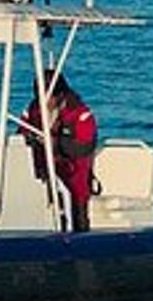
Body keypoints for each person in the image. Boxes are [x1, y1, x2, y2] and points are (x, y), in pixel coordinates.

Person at [22, 74, 99, 232]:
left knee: (78, 192)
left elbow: (83, 146)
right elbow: (22, 130)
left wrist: (55, 143)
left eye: (48, 97)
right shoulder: (34, 109)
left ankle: (81, 230)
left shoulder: (80, 114)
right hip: (44, 165)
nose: (44, 102)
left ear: (60, 95)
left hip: (72, 167)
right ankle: (58, 227)